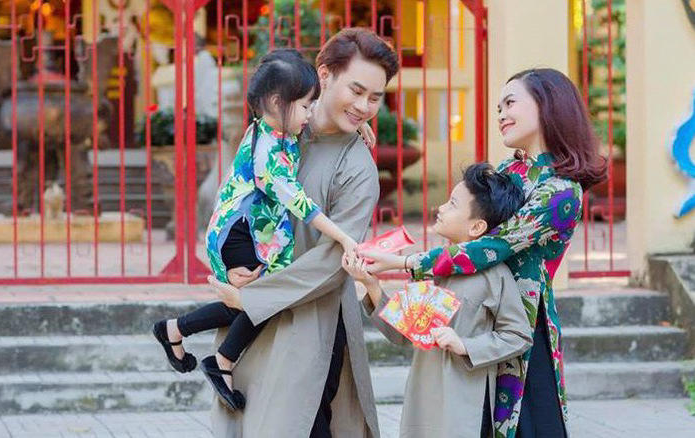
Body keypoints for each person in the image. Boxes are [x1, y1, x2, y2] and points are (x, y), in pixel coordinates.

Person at [361, 68, 607, 438]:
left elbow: (490, 247)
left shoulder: (560, 193)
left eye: (510, 103)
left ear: (546, 105)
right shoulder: (509, 171)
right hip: (470, 307)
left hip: (520, 323)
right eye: (498, 108)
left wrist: (404, 262)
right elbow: (467, 232)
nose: (501, 114)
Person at [205, 28, 399, 437]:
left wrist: (256, 296)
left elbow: (333, 262)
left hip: (310, 323)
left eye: (375, 98)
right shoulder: (272, 134)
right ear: (323, 74)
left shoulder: (357, 169)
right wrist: (229, 264)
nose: (364, 107)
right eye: (356, 90)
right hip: (250, 315)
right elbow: (233, 200)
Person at [152, 49, 361, 411]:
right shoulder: (268, 154)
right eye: (305, 106)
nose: (310, 113)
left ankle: (175, 330)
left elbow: (321, 120)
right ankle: (221, 360)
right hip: (239, 232)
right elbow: (301, 204)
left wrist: (358, 126)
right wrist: (343, 237)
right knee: (264, 298)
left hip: (246, 229)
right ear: (279, 102)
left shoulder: (274, 125)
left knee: (252, 300)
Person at [343, 163, 533, 438]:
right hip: (424, 397)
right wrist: (371, 285)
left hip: (465, 402)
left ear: (477, 226)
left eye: (453, 204)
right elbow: (403, 335)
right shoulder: (430, 268)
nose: (441, 208)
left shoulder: (495, 275)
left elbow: (518, 335)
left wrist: (465, 345)